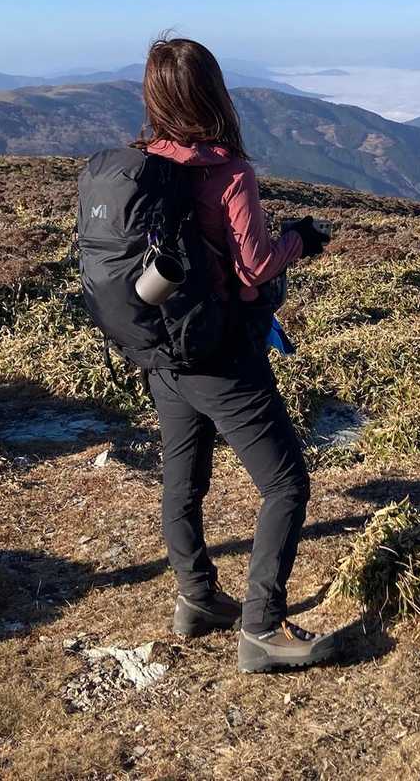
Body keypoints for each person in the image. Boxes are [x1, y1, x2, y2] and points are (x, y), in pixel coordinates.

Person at [135, 36, 334, 674]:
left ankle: (197, 599)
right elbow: (253, 269)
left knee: (183, 480)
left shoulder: (146, 167)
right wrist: (299, 240)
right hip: (221, 355)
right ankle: (261, 628)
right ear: (213, 93)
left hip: (165, 350)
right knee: (286, 483)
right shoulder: (228, 173)